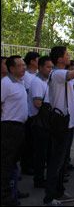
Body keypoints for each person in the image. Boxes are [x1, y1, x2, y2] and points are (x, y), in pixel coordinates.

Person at [43, 46, 74, 206]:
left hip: (67, 124)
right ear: (59, 59)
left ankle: (59, 192)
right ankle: (49, 197)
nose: (69, 56)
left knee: (62, 162)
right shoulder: (57, 74)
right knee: (56, 162)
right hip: (61, 125)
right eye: (66, 54)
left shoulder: (62, 74)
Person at [1, 56, 27, 206]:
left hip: (19, 127)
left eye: (24, 65)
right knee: (6, 162)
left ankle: (13, 191)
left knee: (13, 162)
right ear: (12, 68)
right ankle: (5, 196)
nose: (23, 68)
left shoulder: (20, 82)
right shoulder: (5, 83)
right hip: (9, 127)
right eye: (20, 65)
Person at [29, 56, 53, 189]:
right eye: (48, 67)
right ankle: (38, 179)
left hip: (46, 122)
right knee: (40, 153)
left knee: (46, 151)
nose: (50, 69)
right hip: (40, 122)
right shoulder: (37, 81)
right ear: (41, 67)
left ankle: (45, 177)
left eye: (51, 67)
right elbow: (37, 103)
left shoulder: (46, 80)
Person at [21, 51, 40, 175]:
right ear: (32, 61)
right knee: (28, 142)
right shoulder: (26, 76)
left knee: (36, 143)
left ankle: (35, 164)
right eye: (38, 59)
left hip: (39, 114)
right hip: (30, 113)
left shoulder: (38, 75)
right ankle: (26, 166)